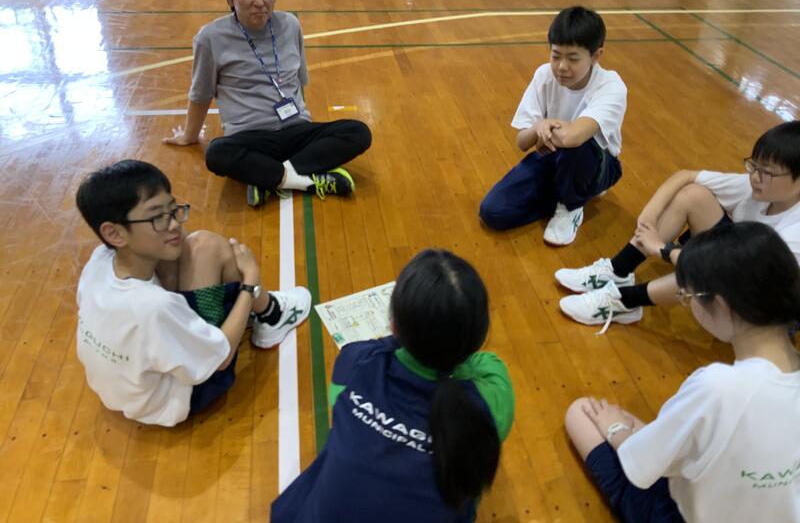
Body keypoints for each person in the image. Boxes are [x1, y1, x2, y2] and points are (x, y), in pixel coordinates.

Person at [564, 222, 800, 522]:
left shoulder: (717, 387)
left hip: (682, 514)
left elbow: (644, 465)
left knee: (582, 412)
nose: (688, 304)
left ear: (721, 306)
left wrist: (616, 430)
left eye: (688, 297)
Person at [271, 249, 515, 522]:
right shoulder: (490, 395)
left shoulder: (356, 361)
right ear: (478, 335)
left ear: (394, 326)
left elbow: (340, 398)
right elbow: (484, 362)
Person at [75, 159, 311, 426]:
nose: (174, 223)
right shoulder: (153, 307)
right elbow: (221, 359)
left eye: (172, 209)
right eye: (157, 217)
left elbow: (178, 242)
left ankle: (259, 310)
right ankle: (270, 314)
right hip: (176, 399)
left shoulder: (99, 260)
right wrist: (250, 283)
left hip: (128, 389)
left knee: (193, 244)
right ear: (114, 233)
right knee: (214, 248)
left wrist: (167, 232)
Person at [163, 0, 372, 206]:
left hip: (297, 130)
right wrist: (190, 135)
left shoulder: (290, 25)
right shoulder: (210, 38)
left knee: (358, 132)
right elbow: (201, 94)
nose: (259, 1)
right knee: (217, 153)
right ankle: (306, 179)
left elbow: (299, 81)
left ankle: (268, 179)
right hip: (251, 138)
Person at [556, 120, 800, 334]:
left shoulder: (795, 233)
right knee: (694, 195)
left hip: (767, 311)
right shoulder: (758, 187)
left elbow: (727, 271)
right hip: (738, 267)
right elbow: (686, 176)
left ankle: (625, 302)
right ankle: (618, 270)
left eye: (766, 172)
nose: (755, 176)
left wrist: (663, 249)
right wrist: (650, 215)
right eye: (754, 166)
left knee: (711, 269)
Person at [479, 6, 626, 246]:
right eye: (556, 55)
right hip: (553, 156)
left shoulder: (611, 86)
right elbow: (522, 141)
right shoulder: (544, 75)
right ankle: (573, 191)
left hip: (598, 162)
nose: (561, 67)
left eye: (573, 59)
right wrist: (538, 126)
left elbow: (573, 138)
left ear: (596, 56)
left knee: (578, 146)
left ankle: (571, 206)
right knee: (493, 212)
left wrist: (546, 132)